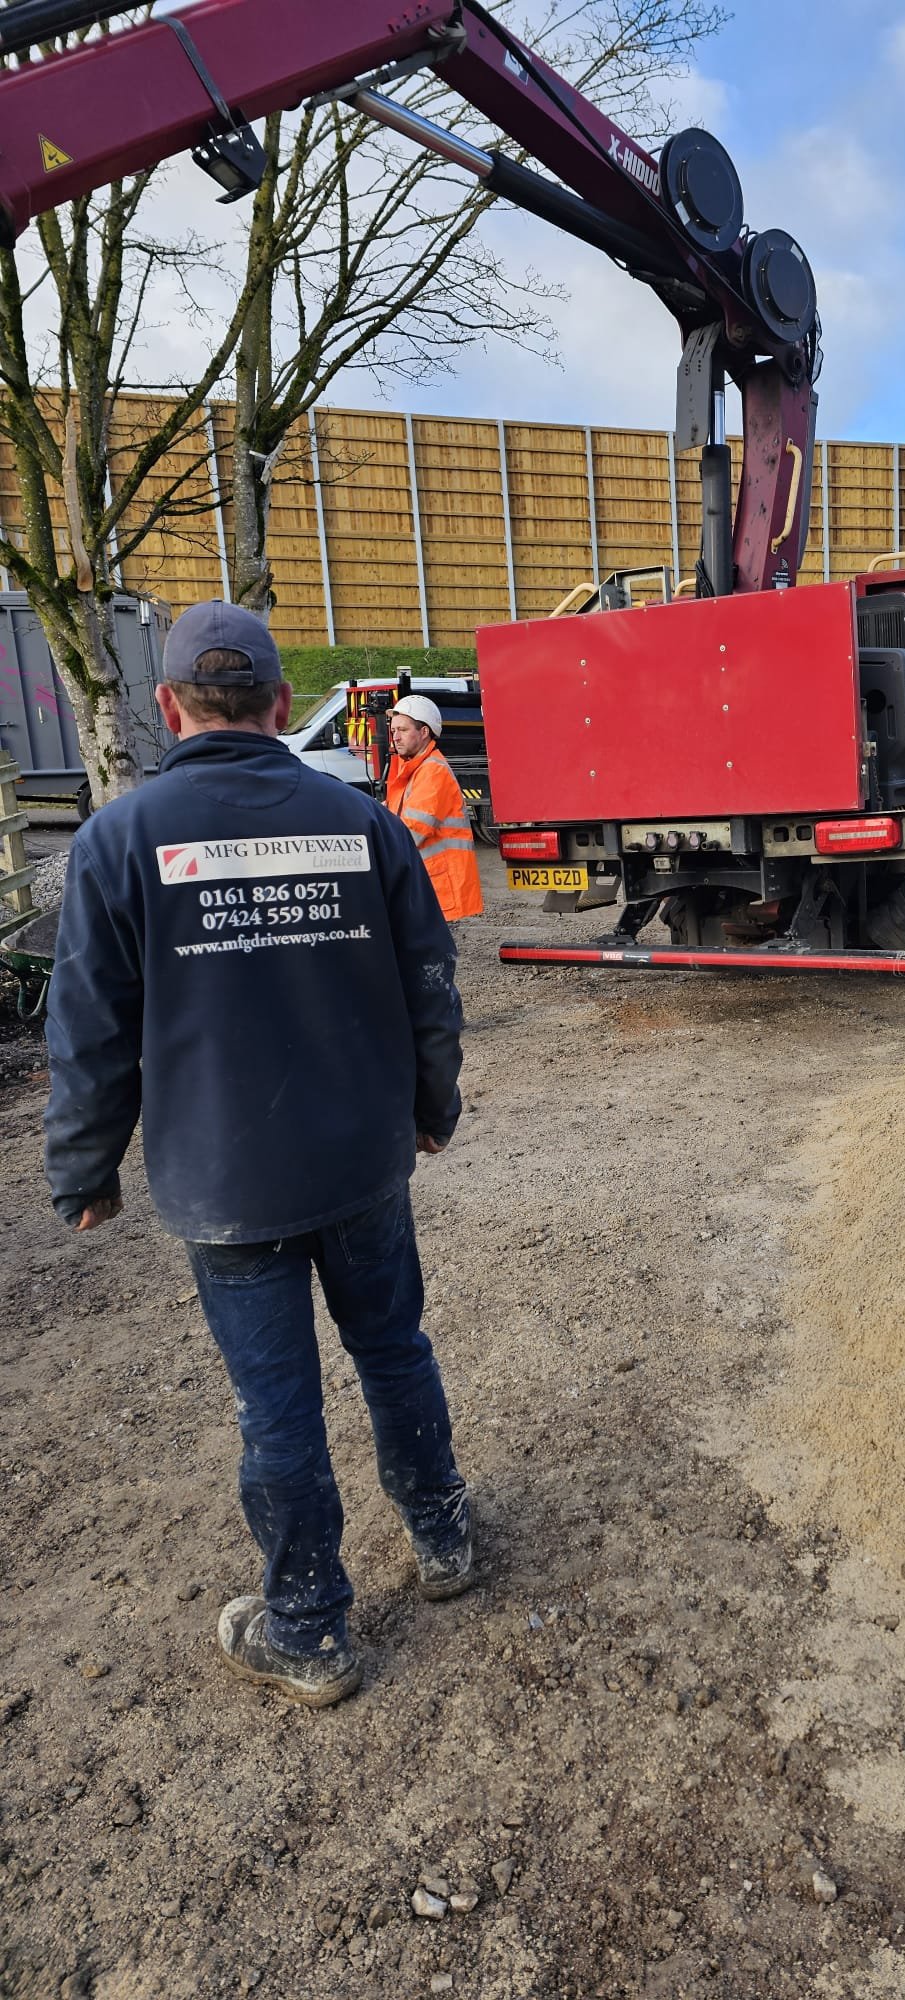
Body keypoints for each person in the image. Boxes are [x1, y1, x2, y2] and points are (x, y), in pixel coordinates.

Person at [44, 601, 473, 1710]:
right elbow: (431, 986)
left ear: (168, 705)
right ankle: (444, 1540)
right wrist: (435, 1108)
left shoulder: (117, 842)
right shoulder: (361, 823)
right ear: (282, 706)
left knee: (274, 1405)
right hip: (363, 1161)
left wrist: (82, 1168)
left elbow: (89, 1027)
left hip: (226, 1185)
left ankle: (310, 1628)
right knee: (393, 1346)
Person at [383, 693, 483, 923]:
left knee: (431, 958)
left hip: (436, 886)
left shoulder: (432, 771)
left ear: (424, 732)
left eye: (403, 730)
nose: (395, 737)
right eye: (394, 730)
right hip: (426, 884)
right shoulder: (414, 769)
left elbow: (411, 833)